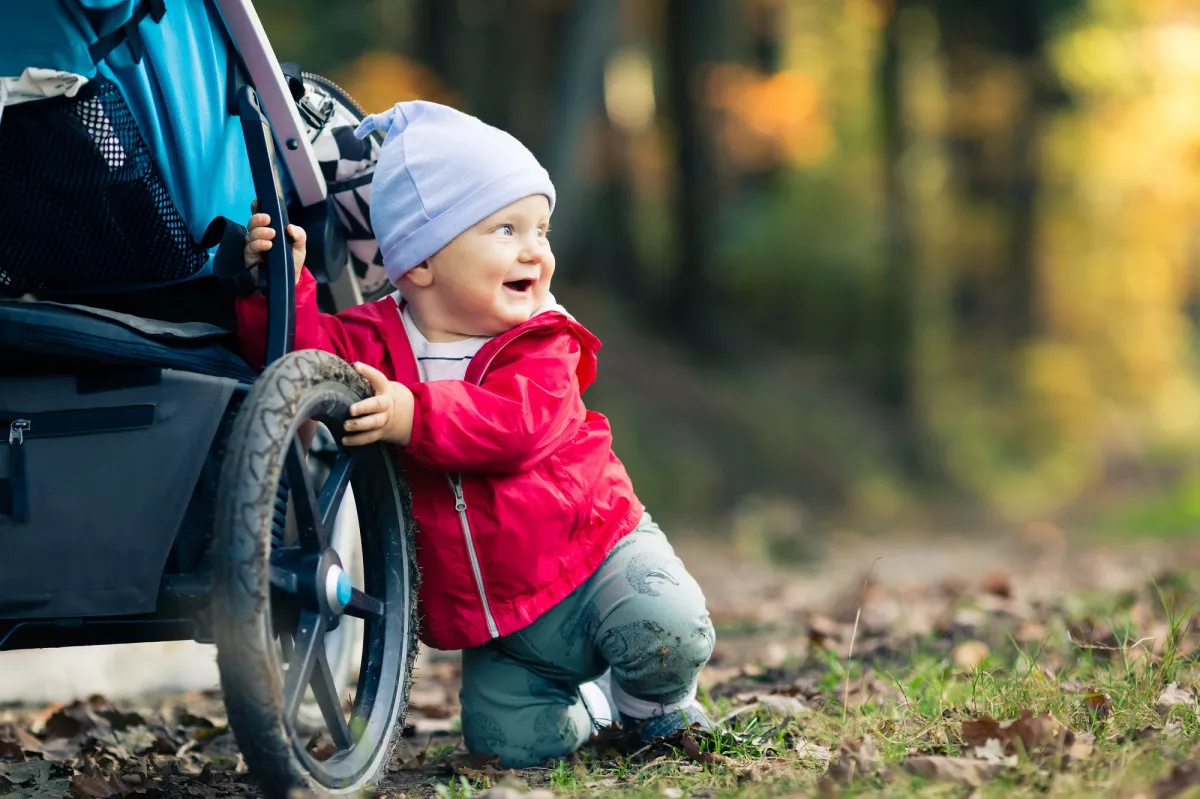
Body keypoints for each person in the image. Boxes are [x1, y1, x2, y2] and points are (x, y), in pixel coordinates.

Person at [235, 100, 715, 768]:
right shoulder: (378, 339)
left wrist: (414, 416)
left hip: (595, 557)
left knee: (668, 629)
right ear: (423, 263)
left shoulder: (541, 339)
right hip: (507, 627)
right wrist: (277, 285)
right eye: (506, 228)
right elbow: (307, 361)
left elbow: (519, 426)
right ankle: (595, 707)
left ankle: (650, 706)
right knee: (511, 745)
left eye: (540, 230)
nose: (534, 251)